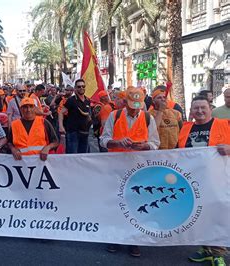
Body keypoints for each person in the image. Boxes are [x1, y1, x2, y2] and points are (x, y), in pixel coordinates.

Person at [100, 87, 160, 257]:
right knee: (116, 202)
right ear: (125, 102)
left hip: (139, 169)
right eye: (132, 105)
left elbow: (155, 143)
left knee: (136, 204)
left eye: (138, 105)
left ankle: (134, 239)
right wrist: (117, 143)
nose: (134, 109)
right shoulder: (115, 116)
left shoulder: (148, 118)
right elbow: (104, 140)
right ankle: (115, 237)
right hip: (116, 168)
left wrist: (145, 146)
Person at [179, 96, 229, 266]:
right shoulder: (186, 128)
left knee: (218, 215)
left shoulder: (224, 124)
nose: (199, 111)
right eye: (196, 108)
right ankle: (205, 248)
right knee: (199, 214)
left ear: (210, 108)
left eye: (203, 108)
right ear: (191, 111)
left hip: (219, 181)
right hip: (193, 181)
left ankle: (218, 253)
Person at [59, 79, 92, 154]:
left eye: (83, 86)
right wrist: (61, 126)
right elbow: (61, 112)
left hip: (85, 133)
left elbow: (87, 114)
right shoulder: (71, 100)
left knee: (83, 157)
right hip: (73, 133)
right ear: (75, 88)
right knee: (72, 156)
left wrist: (90, 120)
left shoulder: (87, 100)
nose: (81, 88)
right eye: (79, 86)